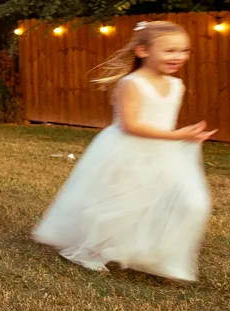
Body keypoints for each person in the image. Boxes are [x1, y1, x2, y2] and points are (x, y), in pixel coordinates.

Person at [33, 21, 215, 283]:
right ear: (142, 51)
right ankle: (89, 251)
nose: (178, 57)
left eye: (184, 51)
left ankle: (153, 255)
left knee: (188, 202)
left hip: (162, 152)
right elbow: (131, 126)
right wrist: (177, 136)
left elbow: (164, 122)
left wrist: (185, 138)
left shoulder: (177, 86)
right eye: (170, 50)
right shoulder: (132, 84)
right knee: (119, 203)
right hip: (127, 150)